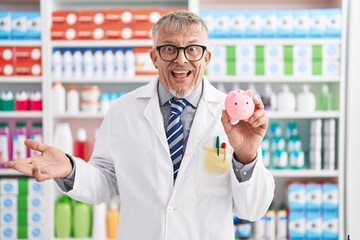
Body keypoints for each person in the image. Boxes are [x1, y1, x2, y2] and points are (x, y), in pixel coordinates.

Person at [6, 10, 274, 240]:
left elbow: (253, 209)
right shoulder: (123, 111)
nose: (181, 60)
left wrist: (247, 156)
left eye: (192, 49)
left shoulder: (232, 117)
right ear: (154, 57)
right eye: (169, 48)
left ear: (206, 58)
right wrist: (71, 169)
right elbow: (106, 182)